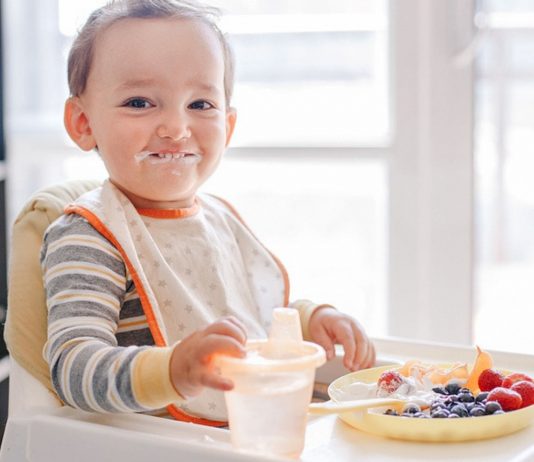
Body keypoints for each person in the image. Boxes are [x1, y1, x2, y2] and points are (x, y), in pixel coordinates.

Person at [41, 0, 375, 426]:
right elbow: (73, 368)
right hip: (155, 444)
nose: (177, 128)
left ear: (229, 127)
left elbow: (254, 311)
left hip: (250, 431)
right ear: (83, 123)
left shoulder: (219, 220)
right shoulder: (89, 235)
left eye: (200, 105)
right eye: (140, 102)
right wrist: (173, 370)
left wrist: (309, 321)